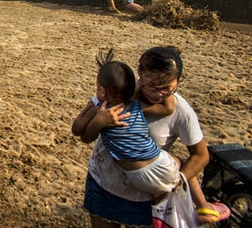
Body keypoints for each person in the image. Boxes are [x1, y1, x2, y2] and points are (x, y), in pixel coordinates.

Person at [78, 46, 230, 227]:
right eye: (151, 85)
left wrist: (173, 184)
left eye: (167, 88)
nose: (157, 93)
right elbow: (85, 136)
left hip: (145, 199)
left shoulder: (181, 111)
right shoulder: (118, 91)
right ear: (140, 74)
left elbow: (200, 155)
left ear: (178, 82)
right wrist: (99, 121)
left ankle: (203, 205)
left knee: (176, 161)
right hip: (103, 184)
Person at [72, 50, 180, 200]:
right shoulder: (136, 105)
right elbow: (168, 108)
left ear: (102, 91)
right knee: (181, 162)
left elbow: (78, 131)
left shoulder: (101, 110)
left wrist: (91, 111)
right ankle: (201, 204)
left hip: (139, 177)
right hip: (162, 166)